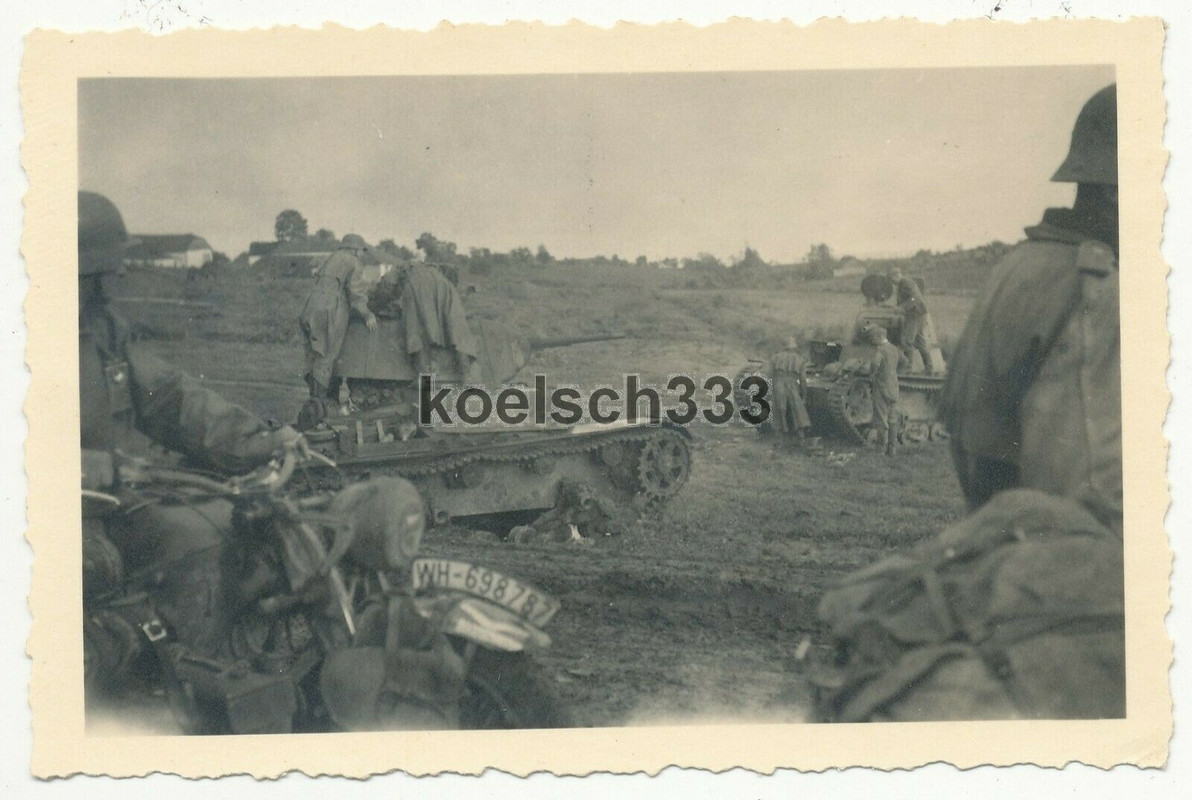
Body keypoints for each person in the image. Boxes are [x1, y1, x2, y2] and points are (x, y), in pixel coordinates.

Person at [814, 85, 1123, 721]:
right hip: (1068, 603)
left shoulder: (1021, 266)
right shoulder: (1099, 286)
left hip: (1005, 560)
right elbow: (1097, 501)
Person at [79, 191, 306, 689]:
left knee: (216, 528)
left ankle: (185, 681)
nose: (108, 284)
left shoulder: (103, 331)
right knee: (97, 578)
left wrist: (264, 439)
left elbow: (171, 400)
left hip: (109, 502)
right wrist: (76, 466)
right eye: (93, 276)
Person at [298, 233, 377, 405]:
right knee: (327, 356)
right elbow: (355, 292)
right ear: (354, 250)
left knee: (314, 354)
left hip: (310, 307)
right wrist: (367, 313)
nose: (362, 254)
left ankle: (319, 400)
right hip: (331, 309)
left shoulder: (331, 258)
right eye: (361, 251)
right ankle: (319, 405)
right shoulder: (354, 262)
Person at [374, 260, 478, 379]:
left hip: (417, 283)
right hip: (444, 285)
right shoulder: (435, 268)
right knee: (457, 328)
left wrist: (377, 303)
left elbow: (387, 284)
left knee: (416, 330)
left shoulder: (400, 268)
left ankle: (425, 379)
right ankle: (466, 376)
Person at [888, 266, 935, 374]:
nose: (892, 282)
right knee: (920, 341)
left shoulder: (907, 283)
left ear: (896, 276)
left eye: (892, 279)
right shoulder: (902, 285)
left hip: (915, 315)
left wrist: (902, 307)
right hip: (918, 315)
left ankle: (908, 368)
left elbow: (915, 298)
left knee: (906, 340)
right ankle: (929, 368)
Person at [768, 336, 812, 448]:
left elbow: (768, 375)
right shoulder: (800, 360)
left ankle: (779, 440)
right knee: (798, 411)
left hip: (778, 383)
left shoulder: (774, 358)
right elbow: (803, 380)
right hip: (793, 385)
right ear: (794, 348)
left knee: (778, 410)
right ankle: (800, 438)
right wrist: (804, 396)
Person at [865, 323, 901, 456]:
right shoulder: (894, 348)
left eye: (873, 338)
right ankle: (892, 449)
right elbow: (904, 360)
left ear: (879, 337)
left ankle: (880, 449)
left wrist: (872, 374)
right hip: (893, 386)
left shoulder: (881, 350)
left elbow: (875, 363)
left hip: (882, 388)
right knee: (893, 419)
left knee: (881, 418)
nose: (872, 341)